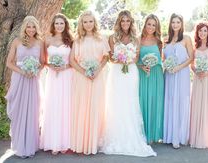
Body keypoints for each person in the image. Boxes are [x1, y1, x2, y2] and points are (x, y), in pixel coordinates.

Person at [100, 10, 156, 157]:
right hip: (117, 72)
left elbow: (136, 57)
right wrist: (119, 59)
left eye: (128, 21)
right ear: (119, 22)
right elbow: (111, 58)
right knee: (116, 103)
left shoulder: (136, 38)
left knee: (130, 102)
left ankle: (131, 136)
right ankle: (116, 136)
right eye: (122, 21)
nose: (125, 23)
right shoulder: (112, 38)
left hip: (131, 73)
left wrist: (129, 59)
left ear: (131, 22)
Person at [69, 11, 110, 155]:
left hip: (98, 77)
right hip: (81, 78)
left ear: (94, 22)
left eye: (90, 21)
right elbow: (72, 61)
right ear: (81, 24)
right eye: (85, 22)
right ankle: (81, 143)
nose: (88, 24)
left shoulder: (102, 38)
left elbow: (106, 57)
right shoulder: (77, 40)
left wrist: (97, 70)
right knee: (82, 109)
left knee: (96, 108)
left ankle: (93, 143)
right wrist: (84, 71)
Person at [5, 15, 44, 158]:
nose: (31, 29)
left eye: (34, 27)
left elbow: (42, 62)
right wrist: (23, 71)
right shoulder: (17, 41)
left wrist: (35, 71)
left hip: (33, 80)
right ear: (24, 27)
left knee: (32, 110)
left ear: (36, 28)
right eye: (29, 26)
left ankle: (31, 146)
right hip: (19, 79)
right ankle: (20, 146)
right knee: (19, 110)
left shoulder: (40, 42)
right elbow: (9, 63)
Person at [40, 13, 74, 155]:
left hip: (67, 76)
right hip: (53, 77)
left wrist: (64, 67)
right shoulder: (47, 40)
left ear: (65, 25)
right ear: (53, 25)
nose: (59, 26)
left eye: (61, 23)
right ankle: (53, 142)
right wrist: (51, 66)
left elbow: (74, 61)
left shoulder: (71, 40)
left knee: (66, 106)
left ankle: (66, 142)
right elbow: (43, 61)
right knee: (53, 106)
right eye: (57, 23)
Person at [163, 13, 193, 149]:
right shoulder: (167, 39)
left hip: (182, 74)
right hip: (169, 75)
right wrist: (167, 66)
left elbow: (191, 58)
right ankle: (169, 135)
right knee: (170, 101)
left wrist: (178, 67)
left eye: (178, 22)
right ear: (170, 24)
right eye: (173, 22)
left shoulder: (186, 38)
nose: (175, 25)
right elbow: (164, 58)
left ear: (182, 24)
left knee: (181, 101)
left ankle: (179, 136)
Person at [138, 14, 164, 143]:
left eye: (154, 25)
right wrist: (141, 66)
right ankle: (143, 134)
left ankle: (154, 134)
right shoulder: (138, 40)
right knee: (142, 101)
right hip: (143, 74)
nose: (151, 27)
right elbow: (134, 59)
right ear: (145, 24)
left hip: (156, 75)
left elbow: (162, 59)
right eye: (149, 24)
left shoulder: (159, 41)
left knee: (155, 103)